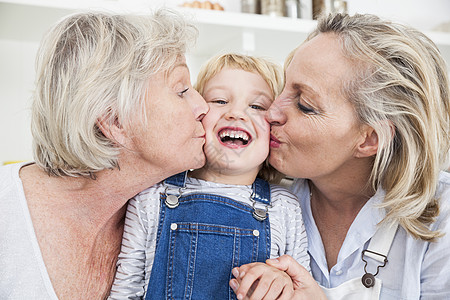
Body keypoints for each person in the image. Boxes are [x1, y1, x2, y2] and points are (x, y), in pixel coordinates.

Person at [230, 12, 450, 300]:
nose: (271, 112)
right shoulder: (261, 201)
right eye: (283, 87)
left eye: (305, 105)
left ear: (370, 139)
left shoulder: (442, 218)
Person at [0, 9, 209, 299]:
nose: (203, 107)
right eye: (182, 89)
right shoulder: (5, 212)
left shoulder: (172, 213)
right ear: (115, 122)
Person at [108, 53, 310, 299]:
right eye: (220, 100)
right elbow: (125, 289)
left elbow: (302, 288)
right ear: (197, 114)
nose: (236, 113)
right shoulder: (151, 196)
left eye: (256, 106)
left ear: (274, 130)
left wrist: (283, 283)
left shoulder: (285, 206)